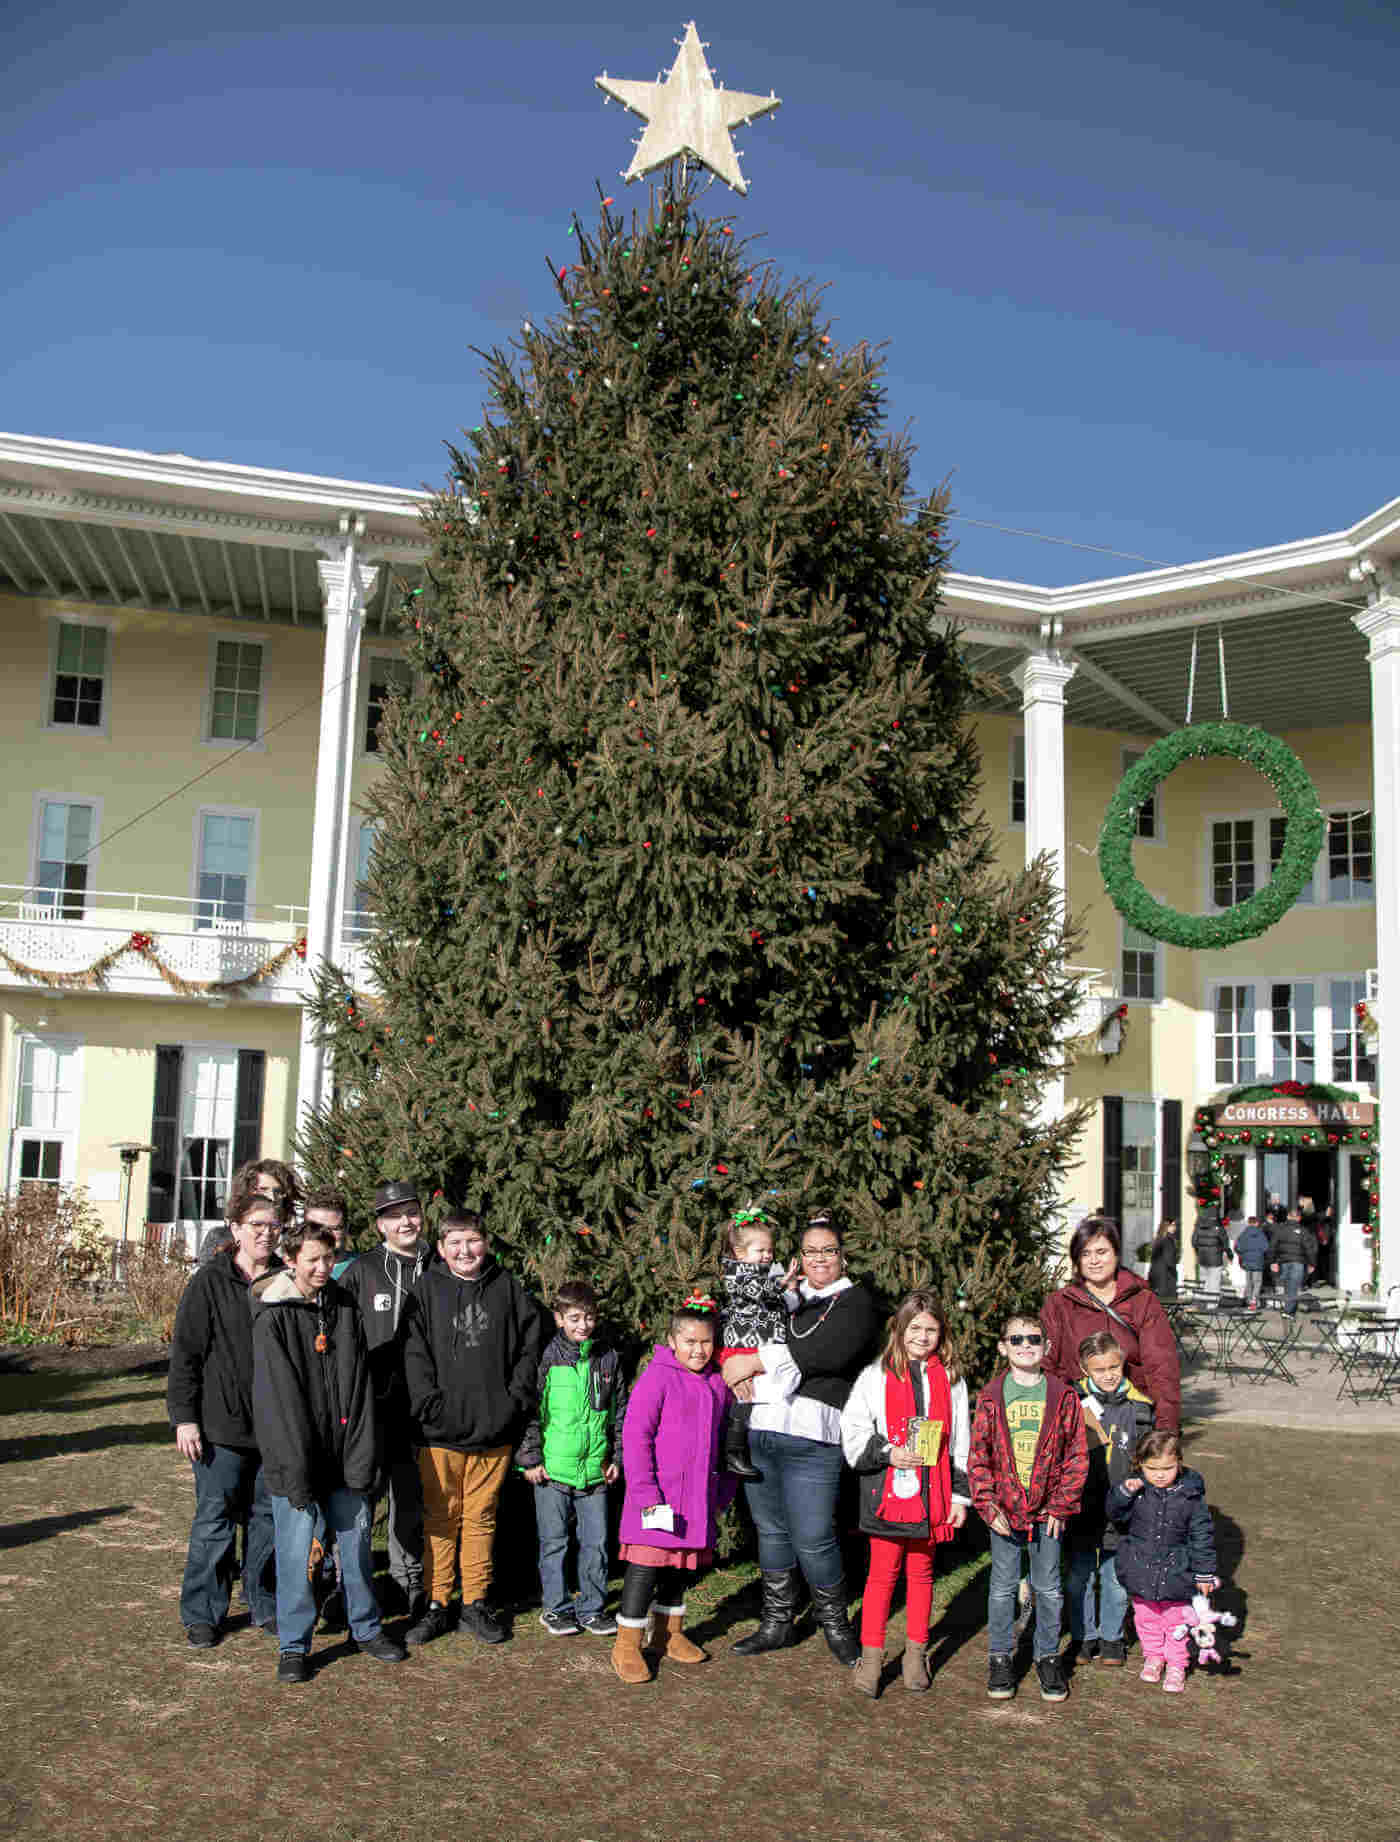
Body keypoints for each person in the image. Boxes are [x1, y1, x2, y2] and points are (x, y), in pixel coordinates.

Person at [720, 1211, 879, 1665]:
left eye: (829, 1250)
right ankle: (777, 1622)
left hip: (813, 1436)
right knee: (771, 1531)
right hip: (763, 1429)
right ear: (799, 1256)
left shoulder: (855, 1303)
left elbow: (826, 1352)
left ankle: (835, 1625)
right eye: (811, 1251)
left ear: (842, 1256)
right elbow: (739, 1326)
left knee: (813, 1535)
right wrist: (735, 1363)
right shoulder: (785, 1297)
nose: (820, 1259)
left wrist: (750, 1364)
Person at [250, 1222, 406, 1682]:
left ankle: (365, 1628)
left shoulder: (342, 1306)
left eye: (328, 1259)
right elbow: (278, 1402)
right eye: (312, 1259)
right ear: (292, 1259)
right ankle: (295, 1645)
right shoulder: (273, 1316)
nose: (322, 1268)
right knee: (297, 1557)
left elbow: (358, 1387)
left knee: (355, 1549)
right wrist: (297, 1470)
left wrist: (361, 1455)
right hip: (296, 1460)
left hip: (346, 1456)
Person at [400, 1211, 543, 1647]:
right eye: (456, 1243)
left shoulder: (507, 1288)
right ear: (441, 1248)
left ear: (486, 1243)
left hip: (492, 1429)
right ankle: (438, 1602)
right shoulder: (425, 1291)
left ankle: (475, 1602)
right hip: (438, 1433)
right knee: (440, 1519)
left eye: (474, 1241)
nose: (466, 1251)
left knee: (480, 1519)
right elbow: (413, 1354)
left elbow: (528, 1349)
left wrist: (511, 1404)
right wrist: (431, 1407)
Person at [166, 1192, 283, 1647]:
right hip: (220, 1429)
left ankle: (263, 1602)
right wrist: (184, 1419)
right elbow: (186, 1356)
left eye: (273, 1225)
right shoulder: (210, 1282)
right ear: (235, 1229)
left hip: (274, 1430)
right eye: (256, 1224)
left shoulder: (284, 1281)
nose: (265, 1232)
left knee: (267, 1521)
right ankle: (203, 1612)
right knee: (214, 1523)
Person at [840, 1290, 970, 1697]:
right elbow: (853, 1431)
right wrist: (888, 1452)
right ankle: (873, 1657)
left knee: (921, 1574)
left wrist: (960, 1498)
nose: (923, 1336)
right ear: (899, 1328)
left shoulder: (952, 1378)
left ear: (942, 1333)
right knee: (881, 1576)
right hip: (889, 1493)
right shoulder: (875, 1375)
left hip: (933, 1494)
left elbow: (961, 1440)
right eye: (915, 1327)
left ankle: (916, 1654)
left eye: (931, 1329)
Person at [611, 1296, 735, 1684]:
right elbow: (636, 1437)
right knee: (646, 1567)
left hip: (694, 1500)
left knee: (680, 1569)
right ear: (672, 1340)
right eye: (690, 1342)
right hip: (656, 1498)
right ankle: (627, 1642)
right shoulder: (657, 1377)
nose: (698, 1350)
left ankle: (669, 1633)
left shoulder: (717, 1382)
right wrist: (646, 1495)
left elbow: (725, 1440)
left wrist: (721, 1491)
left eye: (706, 1342)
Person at [968, 1310, 1087, 1703]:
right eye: (1016, 1339)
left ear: (1046, 1346)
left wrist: (1061, 1505)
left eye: (1033, 1339)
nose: (1025, 1346)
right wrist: (987, 1506)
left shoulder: (1063, 1395)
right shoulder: (991, 1396)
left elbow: (1075, 1456)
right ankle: (1001, 1655)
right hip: (1003, 1512)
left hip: (1048, 1514)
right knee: (1002, 1588)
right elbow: (979, 1457)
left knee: (1049, 1588)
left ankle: (1048, 1655)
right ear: (1004, 1347)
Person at [339, 1179, 435, 1619]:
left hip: (422, 1411)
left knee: (410, 1502)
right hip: (372, 1408)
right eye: (394, 1216)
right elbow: (344, 1340)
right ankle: (348, 1585)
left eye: (411, 1212)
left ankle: (406, 1582)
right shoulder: (363, 1271)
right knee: (361, 1500)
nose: (405, 1222)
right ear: (380, 1225)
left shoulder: (440, 1265)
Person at [518, 1279, 629, 1638]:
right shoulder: (546, 1359)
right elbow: (529, 1411)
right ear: (559, 1318)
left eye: (590, 1317)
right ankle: (556, 1607)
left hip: (595, 1470)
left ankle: (593, 1608)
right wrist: (530, 1459)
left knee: (595, 1543)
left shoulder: (608, 1359)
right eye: (575, 1318)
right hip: (552, 1471)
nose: (583, 1325)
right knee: (554, 1543)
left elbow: (620, 1413)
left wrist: (618, 1456)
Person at [1041, 1215, 1181, 1430]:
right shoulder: (1060, 1304)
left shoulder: (1142, 1301)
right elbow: (1047, 1366)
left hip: (1133, 1418)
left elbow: (1162, 1369)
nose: (1094, 1261)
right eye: (1085, 1254)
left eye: (1101, 1252)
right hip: (1079, 1420)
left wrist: (1165, 1430)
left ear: (1116, 1254)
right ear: (1077, 1260)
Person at [1107, 1429, 1219, 1693]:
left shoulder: (1191, 1496)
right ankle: (1154, 1657)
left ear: (1179, 1462)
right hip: (1140, 1568)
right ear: (1140, 1465)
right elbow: (1114, 1513)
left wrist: (1204, 1572)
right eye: (1152, 1468)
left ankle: (1177, 1664)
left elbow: (1202, 1536)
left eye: (1167, 1468)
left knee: (1175, 1622)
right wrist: (1123, 1493)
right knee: (1146, 1619)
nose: (1160, 1474)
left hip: (1177, 1571)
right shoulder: (1136, 1489)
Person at [1065, 1330, 1153, 1666]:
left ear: (1122, 1364)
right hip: (1081, 1507)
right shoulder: (1071, 1403)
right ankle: (1084, 1636)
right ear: (1086, 1370)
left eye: (1114, 1367)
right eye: (1099, 1369)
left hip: (1123, 1512)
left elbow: (1149, 1458)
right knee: (1079, 1577)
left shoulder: (1140, 1409)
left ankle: (1112, 1636)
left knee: (1115, 1580)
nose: (1108, 1375)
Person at [716, 1207, 798, 1480]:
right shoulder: (736, 1273)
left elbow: (782, 1305)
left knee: (758, 1394)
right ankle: (733, 1450)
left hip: (762, 1344)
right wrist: (780, 1283)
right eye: (760, 1251)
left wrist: (791, 1292)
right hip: (743, 1342)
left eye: (769, 1250)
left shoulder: (769, 1274)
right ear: (740, 1253)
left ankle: (747, 1447)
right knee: (745, 1396)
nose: (767, 1256)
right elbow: (755, 1290)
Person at [197, 1159, 300, 1264]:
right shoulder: (220, 1236)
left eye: (278, 1192)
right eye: (263, 1189)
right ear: (247, 1192)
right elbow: (204, 1276)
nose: (272, 1197)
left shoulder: (296, 1240)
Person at [1268, 1206, 1318, 1317]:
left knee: (1287, 1286)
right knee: (1293, 1287)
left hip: (1284, 1262)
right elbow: (1309, 1248)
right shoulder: (1303, 1231)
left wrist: (1272, 1262)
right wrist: (1312, 1263)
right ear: (1299, 1218)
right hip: (1298, 1263)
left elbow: (1272, 1246)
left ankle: (1289, 1310)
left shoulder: (1280, 1230)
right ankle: (1288, 1311)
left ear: (1287, 1217)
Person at [1190, 1207, 1231, 1307]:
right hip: (1215, 1259)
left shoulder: (1198, 1227)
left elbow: (1194, 1242)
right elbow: (1225, 1243)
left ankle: (1204, 1304)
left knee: (1205, 1282)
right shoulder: (1218, 1228)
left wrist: (1199, 1251)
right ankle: (1212, 1306)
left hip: (1202, 1258)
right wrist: (1229, 1255)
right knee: (1214, 1283)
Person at [1233, 1215, 1272, 1311]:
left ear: (1248, 1223)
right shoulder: (1261, 1234)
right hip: (1258, 1261)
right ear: (1256, 1223)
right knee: (1257, 1282)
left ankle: (1249, 1300)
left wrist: (1242, 1256)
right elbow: (1266, 1248)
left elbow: (1237, 1247)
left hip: (1246, 1261)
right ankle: (1254, 1300)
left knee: (1249, 1281)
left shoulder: (1243, 1234)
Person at [1147, 1218, 1179, 1301]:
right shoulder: (1168, 1240)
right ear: (1167, 1227)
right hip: (1166, 1279)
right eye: (1172, 1225)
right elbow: (1169, 1260)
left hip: (1155, 1278)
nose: (1174, 1227)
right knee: (1168, 1305)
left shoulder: (1158, 1239)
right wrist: (1174, 1272)